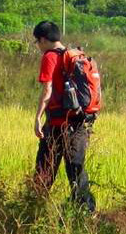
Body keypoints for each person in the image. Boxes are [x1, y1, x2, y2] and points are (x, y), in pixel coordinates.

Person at [32, 20, 96, 213]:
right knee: (76, 170)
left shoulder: (49, 56)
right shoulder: (73, 56)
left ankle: (32, 211)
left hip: (57, 124)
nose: (38, 46)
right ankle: (87, 212)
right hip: (78, 123)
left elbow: (48, 89)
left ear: (43, 39)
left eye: (37, 42)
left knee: (44, 170)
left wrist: (37, 117)